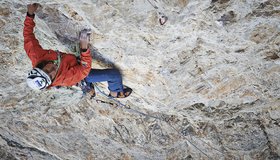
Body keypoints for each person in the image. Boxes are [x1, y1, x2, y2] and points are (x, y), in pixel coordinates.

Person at [24, 3, 132, 98]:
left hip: (73, 66)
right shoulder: (65, 77)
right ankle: (115, 93)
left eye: (46, 70)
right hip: (80, 73)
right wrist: (84, 48)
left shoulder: (36, 55)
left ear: (39, 66)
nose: (52, 70)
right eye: (51, 75)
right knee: (114, 75)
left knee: (79, 75)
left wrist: (30, 15)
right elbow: (85, 69)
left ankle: (87, 86)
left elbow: (28, 36)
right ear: (52, 80)